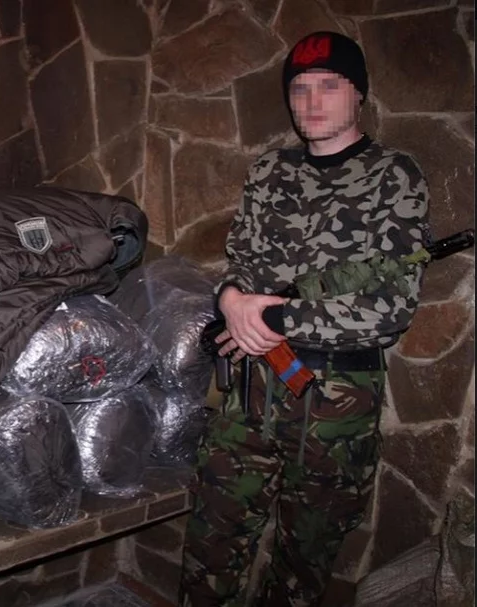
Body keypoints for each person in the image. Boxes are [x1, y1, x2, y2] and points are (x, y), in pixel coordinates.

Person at [180, 31, 430, 606]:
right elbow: (242, 262)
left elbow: (390, 310)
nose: (312, 102)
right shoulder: (270, 170)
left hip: (336, 402)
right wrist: (229, 299)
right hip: (249, 388)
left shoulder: (394, 174)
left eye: (329, 86)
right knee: (209, 548)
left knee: (302, 567)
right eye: (299, 88)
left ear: (358, 94)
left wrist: (278, 317)